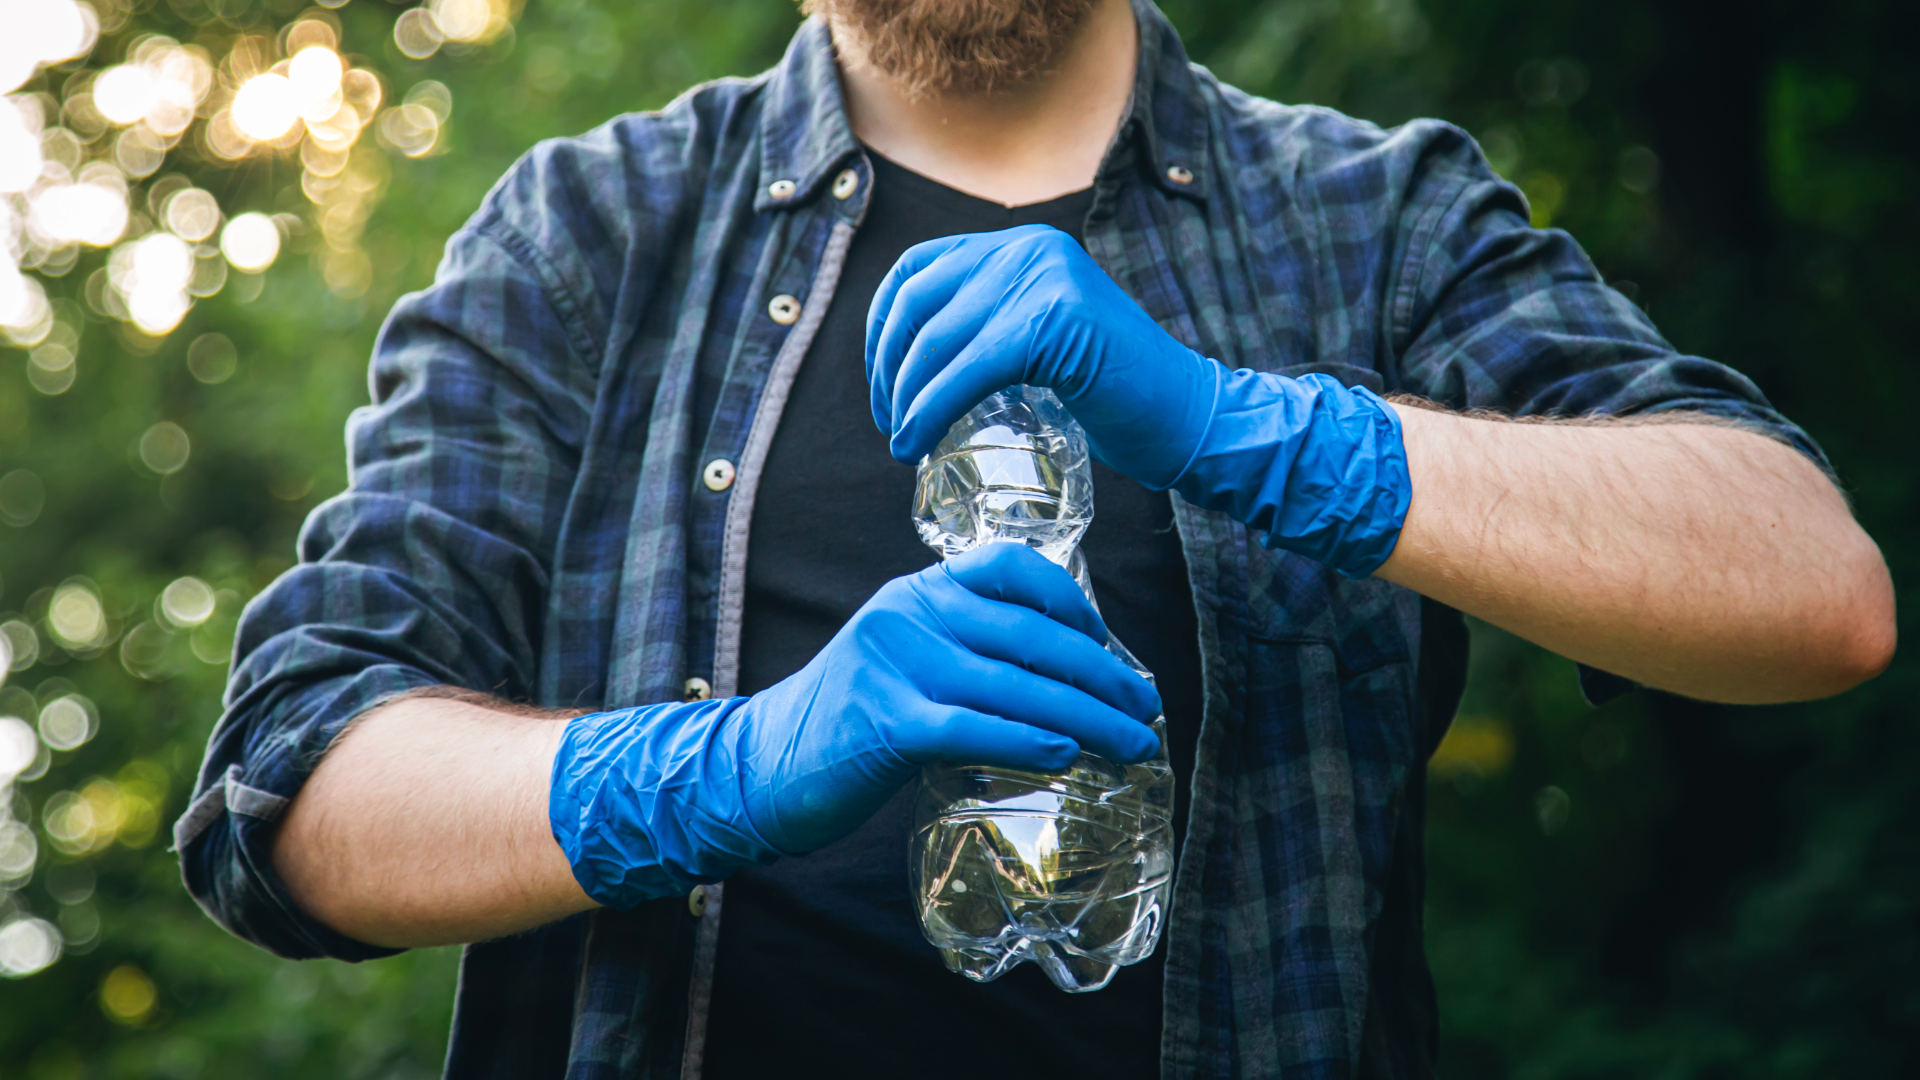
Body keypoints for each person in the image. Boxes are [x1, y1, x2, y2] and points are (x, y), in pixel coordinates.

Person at [173, 1, 1894, 1077]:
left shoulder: (1373, 218)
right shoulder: (589, 235)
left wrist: (1253, 425)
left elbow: (1810, 589)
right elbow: (293, 796)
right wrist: (739, 763)